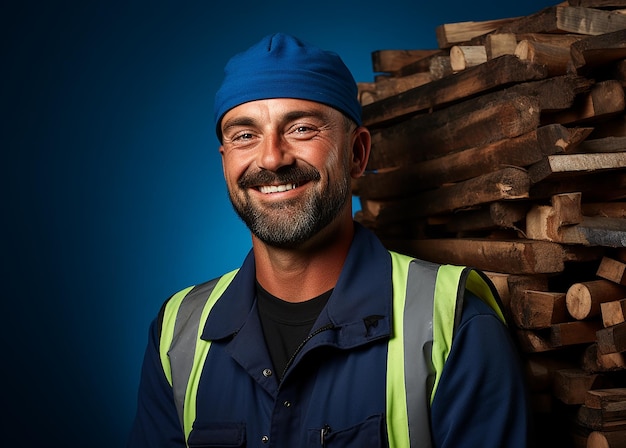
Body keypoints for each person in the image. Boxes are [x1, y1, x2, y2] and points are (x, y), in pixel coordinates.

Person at [127, 32, 531, 447]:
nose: (271, 158)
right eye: (244, 135)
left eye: (301, 128)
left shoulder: (453, 322)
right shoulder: (177, 331)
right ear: (225, 159)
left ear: (357, 154)